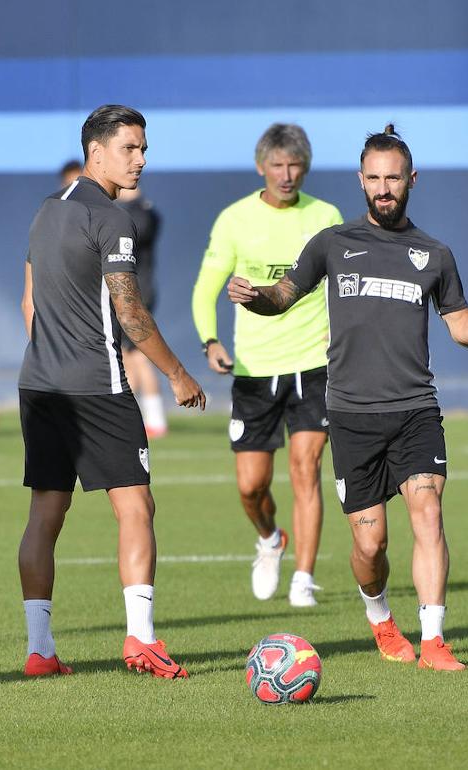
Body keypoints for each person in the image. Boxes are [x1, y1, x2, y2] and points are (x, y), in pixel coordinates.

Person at [228, 125, 468, 671]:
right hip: (351, 417)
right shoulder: (333, 244)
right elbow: (283, 295)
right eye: (374, 178)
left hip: (415, 410)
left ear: (412, 180)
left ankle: (435, 642)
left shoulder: (434, 254)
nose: (384, 187)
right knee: (370, 549)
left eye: (393, 178)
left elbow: (461, 327)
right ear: (361, 181)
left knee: (429, 513)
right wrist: (255, 298)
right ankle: (381, 618)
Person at [19, 105, 206, 679]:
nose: (141, 160)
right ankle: (141, 640)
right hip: (97, 388)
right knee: (136, 507)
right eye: (130, 148)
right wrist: (177, 374)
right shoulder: (113, 218)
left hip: (39, 385)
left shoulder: (47, 211)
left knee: (46, 514)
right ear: (95, 153)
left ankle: (40, 650)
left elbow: (29, 305)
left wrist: (55, 354)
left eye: (144, 148)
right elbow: (129, 310)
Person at [191, 124, 343, 607]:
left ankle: (304, 577)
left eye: (294, 164)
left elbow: (345, 284)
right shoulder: (235, 219)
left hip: (314, 364)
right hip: (255, 369)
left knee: (306, 467)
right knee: (251, 485)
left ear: (306, 167)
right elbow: (205, 287)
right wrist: (210, 340)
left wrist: (340, 332)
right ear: (261, 167)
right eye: (277, 165)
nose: (286, 174)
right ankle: (270, 539)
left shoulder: (326, 215)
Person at [63, 160, 168, 436]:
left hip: (137, 289)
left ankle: (156, 419)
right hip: (122, 288)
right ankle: (132, 414)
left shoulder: (138, 212)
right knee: (125, 355)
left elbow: (140, 231)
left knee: (140, 353)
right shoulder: (119, 210)